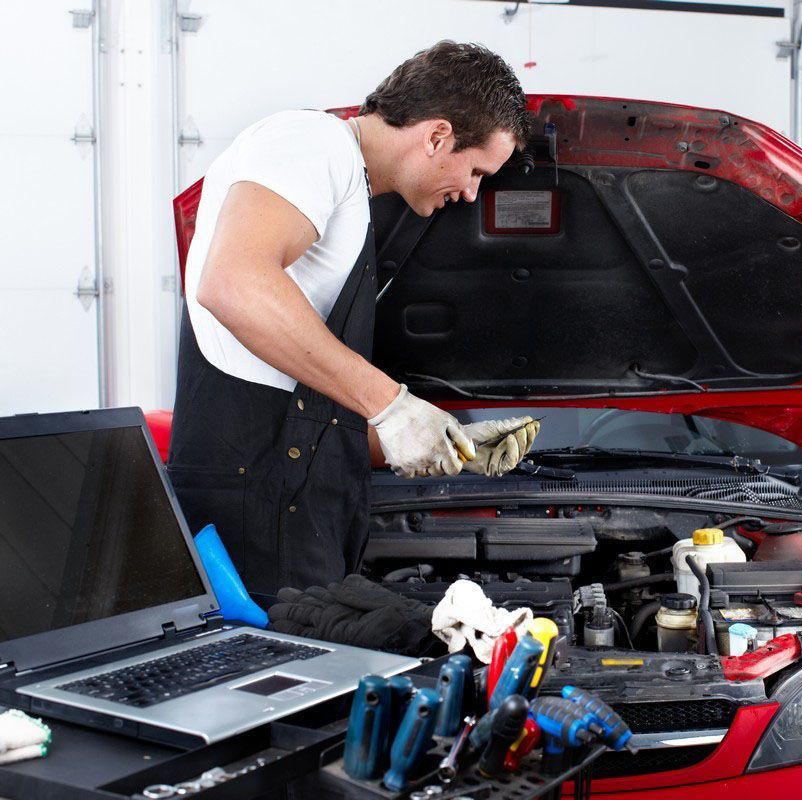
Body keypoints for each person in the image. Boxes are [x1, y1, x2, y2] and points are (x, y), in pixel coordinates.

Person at [168, 41, 539, 603]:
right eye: (477, 171)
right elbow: (233, 282)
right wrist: (392, 404)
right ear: (437, 135)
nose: (471, 193)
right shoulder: (311, 142)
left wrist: (443, 443)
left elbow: (301, 404)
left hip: (290, 508)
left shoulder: (350, 192)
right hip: (250, 519)